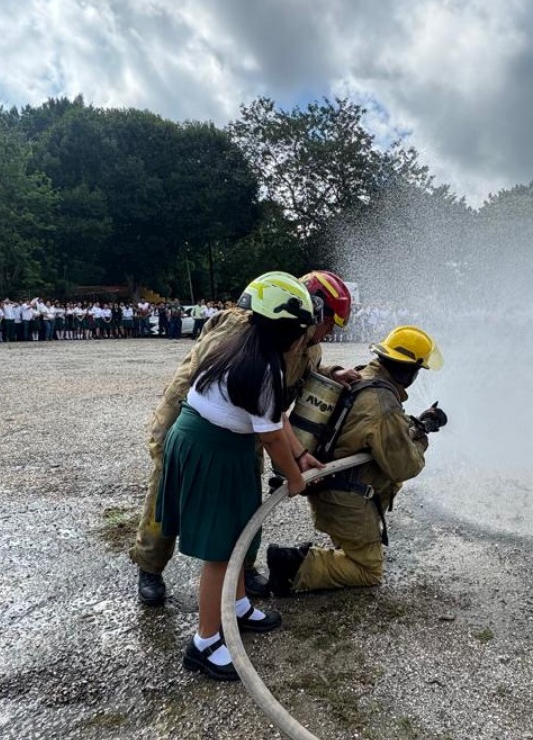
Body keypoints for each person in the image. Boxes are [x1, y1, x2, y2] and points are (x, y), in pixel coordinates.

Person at [130, 270, 359, 606]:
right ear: (313, 310)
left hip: (250, 430)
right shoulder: (243, 327)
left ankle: (243, 566)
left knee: (244, 500)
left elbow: (292, 388)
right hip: (194, 422)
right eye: (329, 324)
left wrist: (332, 374)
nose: (328, 333)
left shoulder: (310, 349)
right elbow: (200, 379)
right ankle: (150, 566)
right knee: (168, 493)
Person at [155, 271, 316, 681]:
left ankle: (237, 606)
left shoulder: (242, 345)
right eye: (303, 329)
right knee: (221, 552)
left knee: (240, 531)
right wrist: (295, 479)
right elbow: (273, 440)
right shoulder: (264, 367)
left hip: (219, 446)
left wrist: (301, 456)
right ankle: (205, 643)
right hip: (212, 450)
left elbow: (275, 418)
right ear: (289, 331)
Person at [266, 325, 446, 596]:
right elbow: (404, 465)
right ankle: (293, 567)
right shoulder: (382, 402)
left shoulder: (362, 376)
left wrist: (414, 425)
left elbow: (375, 432)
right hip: (344, 499)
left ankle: (345, 544)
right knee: (367, 570)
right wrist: (423, 436)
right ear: (408, 371)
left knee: (360, 550)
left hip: (328, 486)